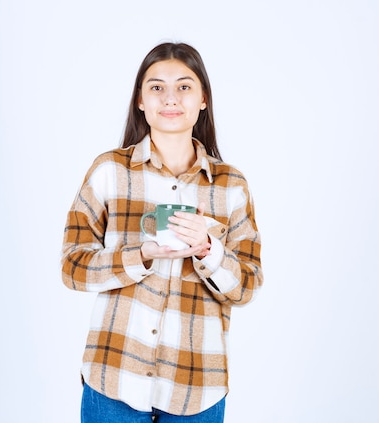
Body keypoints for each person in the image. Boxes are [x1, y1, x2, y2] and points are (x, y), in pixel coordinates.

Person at [61, 41, 263, 422]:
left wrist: (208, 250)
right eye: (156, 87)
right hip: (114, 378)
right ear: (140, 100)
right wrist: (141, 256)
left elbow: (248, 286)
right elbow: (72, 266)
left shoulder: (230, 186)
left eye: (184, 86)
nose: (170, 98)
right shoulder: (110, 171)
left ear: (203, 98)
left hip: (197, 386)